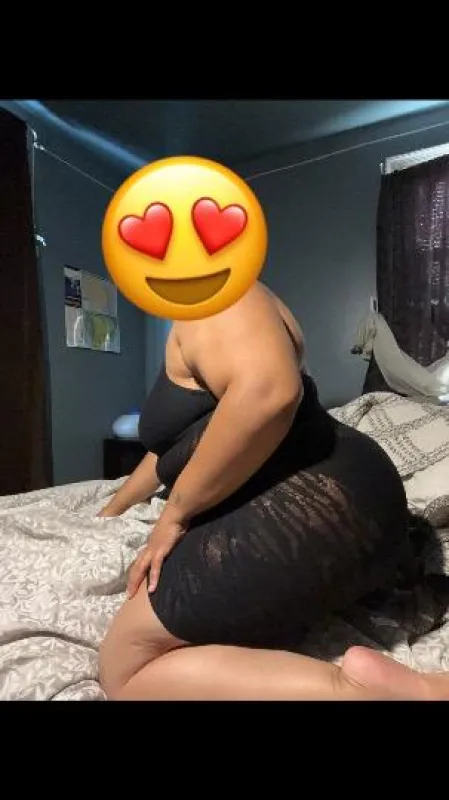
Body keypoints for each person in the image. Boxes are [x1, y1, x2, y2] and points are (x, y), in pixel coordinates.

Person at [97, 281, 425, 700]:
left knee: (125, 669)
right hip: (346, 492)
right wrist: (112, 509)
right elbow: (175, 449)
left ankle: (377, 690)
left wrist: (174, 514)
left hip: (323, 496)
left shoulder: (213, 295)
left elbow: (269, 392)